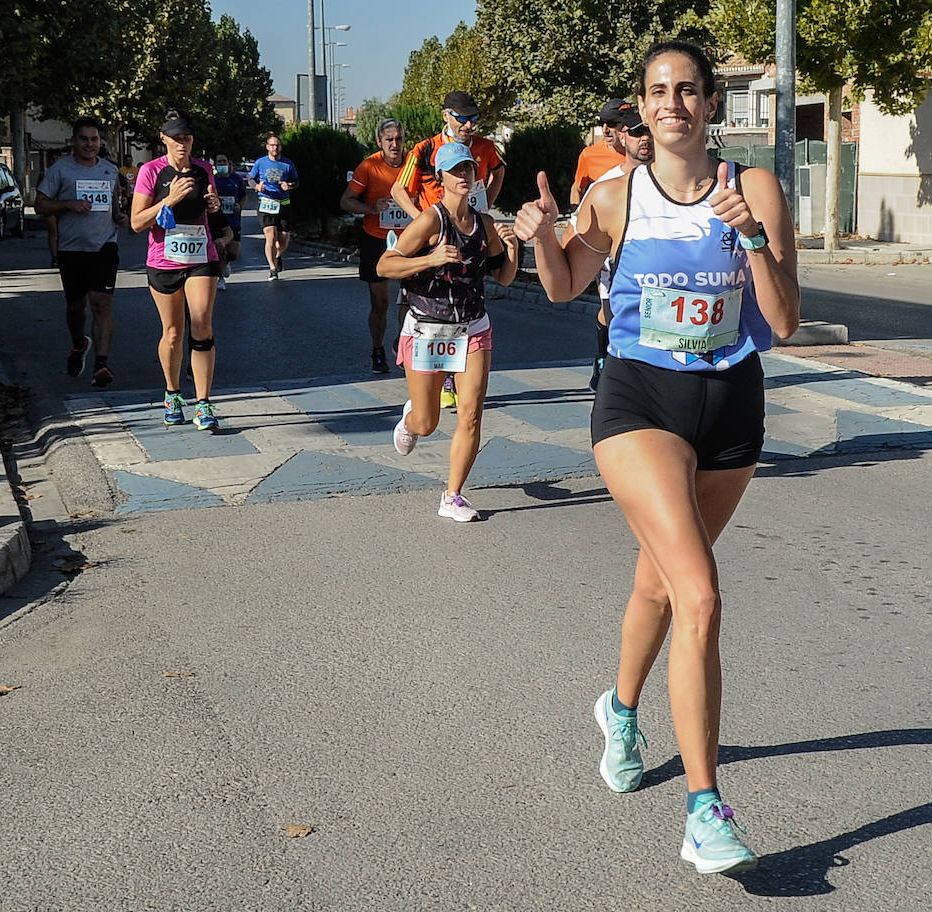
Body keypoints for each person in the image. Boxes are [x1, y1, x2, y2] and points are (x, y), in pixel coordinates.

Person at [515, 40, 799, 875]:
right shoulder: (615, 196)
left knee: (660, 580)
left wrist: (750, 237)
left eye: (687, 91)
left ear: (712, 105)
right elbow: (566, 284)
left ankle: (622, 706)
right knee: (700, 593)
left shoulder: (757, 190)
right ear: (640, 109)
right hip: (639, 402)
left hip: (731, 408)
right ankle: (706, 810)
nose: (671, 103)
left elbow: (782, 321)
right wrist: (538, 237)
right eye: (656, 92)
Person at [379, 141, 518, 521]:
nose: (464, 176)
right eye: (455, 170)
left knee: (471, 414)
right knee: (428, 422)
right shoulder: (430, 221)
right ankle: (411, 418)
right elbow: (385, 265)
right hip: (427, 328)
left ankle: (453, 495)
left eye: (469, 169)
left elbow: (503, 278)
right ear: (440, 178)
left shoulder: (484, 224)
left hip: (472, 326)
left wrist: (513, 248)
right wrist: (431, 257)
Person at [130, 110, 225, 432]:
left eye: (187, 138)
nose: (182, 145)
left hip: (201, 256)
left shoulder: (203, 169)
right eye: (176, 139)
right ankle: (172, 394)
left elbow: (211, 205)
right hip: (163, 260)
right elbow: (136, 222)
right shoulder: (150, 171)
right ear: (164, 139)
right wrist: (167, 201)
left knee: (202, 324)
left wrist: (214, 205)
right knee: (173, 333)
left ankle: (204, 403)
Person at [34, 118, 126, 387]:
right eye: (84, 139)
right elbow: (40, 205)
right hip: (72, 249)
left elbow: (114, 208)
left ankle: (101, 365)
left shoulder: (110, 171)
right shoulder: (60, 171)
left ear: (100, 142)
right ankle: (78, 344)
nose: (89, 144)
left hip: (104, 246)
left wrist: (120, 217)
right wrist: (68, 204)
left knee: (102, 303)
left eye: (94, 139)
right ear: (74, 141)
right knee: (76, 307)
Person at [569, 105, 653, 391]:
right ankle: (606, 360)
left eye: (649, 131)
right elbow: (579, 195)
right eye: (638, 132)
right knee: (612, 309)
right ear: (625, 136)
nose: (645, 139)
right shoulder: (601, 175)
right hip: (608, 250)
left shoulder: (670, 176)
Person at [340, 117, 409, 373]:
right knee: (380, 302)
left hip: (409, 239)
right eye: (389, 139)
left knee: (413, 298)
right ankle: (378, 348)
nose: (395, 144)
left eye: (399, 139)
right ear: (380, 141)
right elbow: (346, 201)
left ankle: (402, 341)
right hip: (376, 239)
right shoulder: (369, 166)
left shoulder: (413, 163)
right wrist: (372, 208)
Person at [249, 134, 297, 280]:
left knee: (283, 239)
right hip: (266, 203)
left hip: (283, 204)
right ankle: (273, 268)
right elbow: (250, 179)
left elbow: (296, 181)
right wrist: (256, 186)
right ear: (267, 147)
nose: (275, 148)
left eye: (277, 145)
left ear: (280, 147)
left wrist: (289, 186)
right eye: (272, 145)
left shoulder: (288, 164)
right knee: (270, 238)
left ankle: (278, 255)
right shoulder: (260, 163)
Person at [570, 98, 628, 207]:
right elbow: (577, 188)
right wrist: (577, 218)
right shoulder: (589, 155)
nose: (605, 130)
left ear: (626, 124)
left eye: (611, 123)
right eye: (602, 123)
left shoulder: (642, 153)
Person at [212, 153, 246, 290]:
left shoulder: (236, 179)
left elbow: (244, 197)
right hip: (218, 221)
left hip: (233, 220)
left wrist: (240, 206)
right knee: (219, 248)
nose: (222, 164)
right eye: (219, 162)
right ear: (215, 165)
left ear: (229, 163)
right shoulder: (212, 180)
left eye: (224, 161)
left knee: (233, 253)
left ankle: (226, 263)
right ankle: (220, 278)